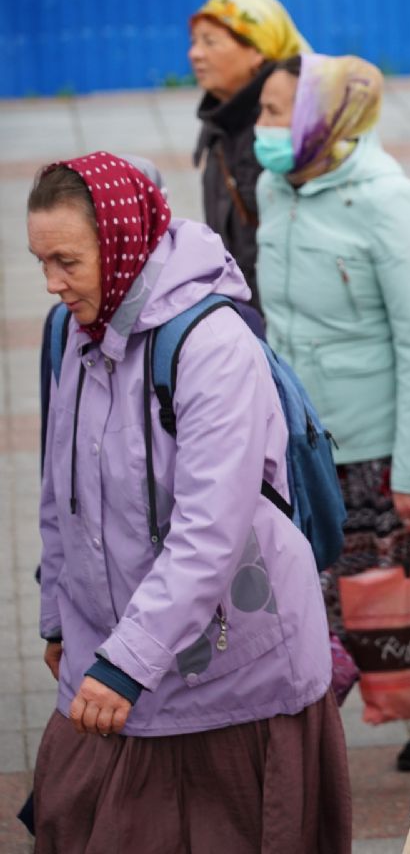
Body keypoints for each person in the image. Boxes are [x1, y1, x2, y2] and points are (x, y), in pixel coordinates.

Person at [27, 152, 349, 852]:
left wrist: (122, 664)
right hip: (117, 662)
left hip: (233, 674)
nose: (51, 284)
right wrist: (58, 618)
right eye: (41, 261)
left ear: (119, 244)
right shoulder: (68, 333)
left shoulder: (210, 345)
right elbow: (58, 495)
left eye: (67, 262)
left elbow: (209, 534)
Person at [253, 53, 410, 746]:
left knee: (386, 619)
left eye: (275, 112)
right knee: (313, 617)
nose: (260, 127)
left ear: (321, 120)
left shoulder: (387, 200)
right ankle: (302, 757)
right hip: (300, 443)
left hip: (376, 456)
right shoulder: (276, 188)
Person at [188, 0, 310, 309]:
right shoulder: (221, 119)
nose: (195, 53)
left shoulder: (282, 129)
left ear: (257, 50)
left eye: (210, 42)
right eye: (194, 41)